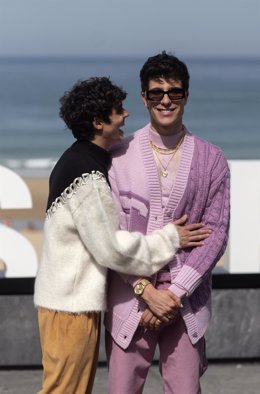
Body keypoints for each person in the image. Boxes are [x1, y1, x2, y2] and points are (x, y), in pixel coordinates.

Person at [34, 76, 211, 394]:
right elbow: (111, 249)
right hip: (70, 308)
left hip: (65, 303)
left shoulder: (79, 160)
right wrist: (170, 238)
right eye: (117, 110)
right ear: (98, 122)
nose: (126, 115)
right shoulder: (87, 175)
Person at [105, 52, 230, 394]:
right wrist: (145, 291)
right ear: (143, 98)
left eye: (174, 92)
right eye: (156, 92)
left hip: (185, 302)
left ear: (186, 96)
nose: (165, 100)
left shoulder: (212, 158)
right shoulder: (118, 156)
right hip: (129, 299)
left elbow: (216, 232)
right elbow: (110, 236)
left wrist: (173, 294)